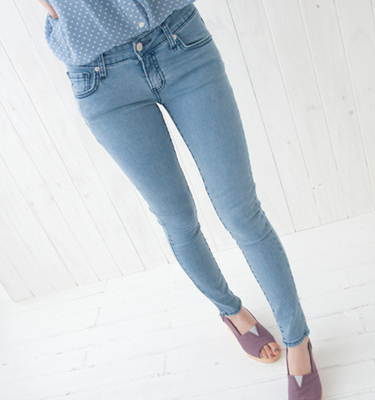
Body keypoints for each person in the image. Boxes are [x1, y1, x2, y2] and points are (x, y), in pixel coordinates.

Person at [38, 1, 323, 398]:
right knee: (177, 219)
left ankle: (297, 340)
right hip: (99, 76)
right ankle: (232, 312)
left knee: (241, 212)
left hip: (178, 39)